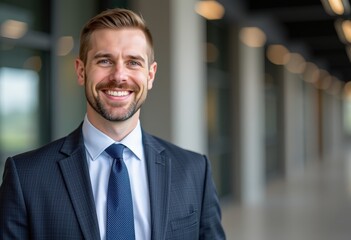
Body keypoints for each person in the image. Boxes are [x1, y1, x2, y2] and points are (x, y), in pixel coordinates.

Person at [0, 8, 225, 240]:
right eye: (105, 60)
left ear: (150, 75)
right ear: (81, 71)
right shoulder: (26, 177)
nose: (119, 75)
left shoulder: (195, 171)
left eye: (133, 62)